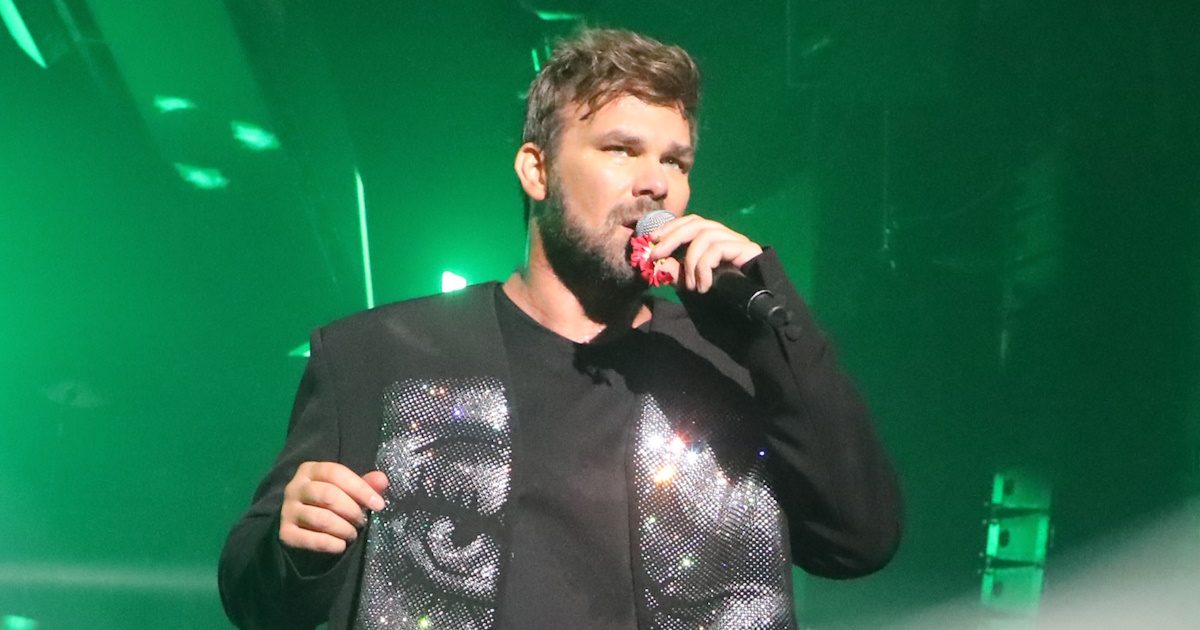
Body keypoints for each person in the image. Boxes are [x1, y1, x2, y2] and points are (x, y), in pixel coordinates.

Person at [219, 28, 901, 630]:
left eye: (675, 160)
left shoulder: (738, 363)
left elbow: (859, 542)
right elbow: (253, 598)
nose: (656, 183)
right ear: (537, 170)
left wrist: (773, 333)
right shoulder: (378, 355)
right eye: (621, 150)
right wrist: (294, 543)